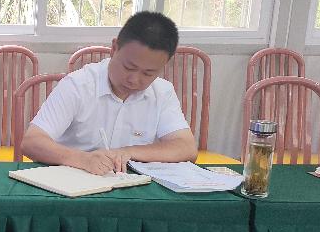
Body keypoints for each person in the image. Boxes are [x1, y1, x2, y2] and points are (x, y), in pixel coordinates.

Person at [20, 11, 198, 175]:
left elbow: (186, 147)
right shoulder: (78, 85)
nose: (134, 80)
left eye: (148, 73)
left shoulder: (162, 92)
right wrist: (83, 159)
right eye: (129, 67)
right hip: (71, 180)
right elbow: (32, 142)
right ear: (114, 48)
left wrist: (127, 152)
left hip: (127, 184)